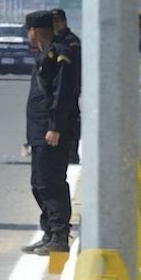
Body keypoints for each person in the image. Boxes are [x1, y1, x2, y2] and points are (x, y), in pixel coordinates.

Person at [20, 10, 78, 256]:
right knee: (38, 184)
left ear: (35, 31)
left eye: (29, 31)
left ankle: (59, 236)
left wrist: (55, 126)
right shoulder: (45, 55)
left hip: (52, 131)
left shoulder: (61, 55)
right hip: (39, 131)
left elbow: (63, 94)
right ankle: (49, 232)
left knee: (51, 183)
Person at [51, 9, 82, 164]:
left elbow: (75, 68)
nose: (56, 24)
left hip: (70, 90)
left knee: (70, 123)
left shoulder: (72, 41)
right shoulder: (51, 40)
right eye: (53, 21)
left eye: (58, 21)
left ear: (64, 21)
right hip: (54, 91)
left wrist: (76, 89)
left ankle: (72, 155)